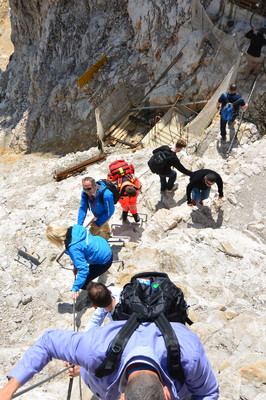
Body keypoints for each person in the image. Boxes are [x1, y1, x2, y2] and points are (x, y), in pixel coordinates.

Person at [0, 322, 219, 400]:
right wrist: (9, 389)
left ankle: (82, 370)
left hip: (104, 374)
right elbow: (48, 342)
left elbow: (208, 393)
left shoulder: (188, 357)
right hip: (102, 366)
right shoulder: (96, 349)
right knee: (92, 368)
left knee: (95, 370)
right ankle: (82, 370)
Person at [46, 223, 113, 300]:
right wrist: (76, 265)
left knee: (84, 284)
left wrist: (75, 288)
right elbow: (81, 248)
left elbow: (84, 270)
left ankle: (103, 294)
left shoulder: (73, 248)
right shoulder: (76, 228)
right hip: (102, 244)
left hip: (104, 260)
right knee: (84, 277)